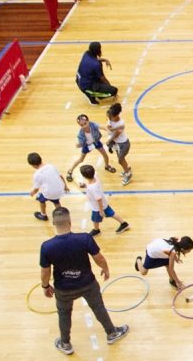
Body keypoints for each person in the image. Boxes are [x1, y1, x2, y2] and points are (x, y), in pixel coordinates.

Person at [39, 207, 130, 355]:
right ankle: (111, 333)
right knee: (98, 307)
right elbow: (98, 257)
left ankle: (65, 343)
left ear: (53, 223)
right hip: (88, 284)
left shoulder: (47, 246)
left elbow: (45, 271)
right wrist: (105, 268)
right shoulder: (84, 238)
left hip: (63, 289)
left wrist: (45, 286)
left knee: (64, 314)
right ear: (69, 221)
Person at [79, 165, 129, 237]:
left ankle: (96, 230)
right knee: (112, 214)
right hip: (104, 203)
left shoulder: (92, 188)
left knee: (95, 219)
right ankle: (124, 224)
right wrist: (85, 185)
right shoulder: (95, 177)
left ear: (84, 176)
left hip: (97, 208)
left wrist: (101, 211)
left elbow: (98, 199)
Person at [66, 114, 116, 183]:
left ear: (88, 121)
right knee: (81, 160)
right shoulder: (80, 134)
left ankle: (107, 166)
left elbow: (101, 126)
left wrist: (107, 130)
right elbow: (80, 143)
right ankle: (70, 171)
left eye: (85, 123)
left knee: (105, 155)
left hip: (96, 142)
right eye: (81, 125)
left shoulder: (93, 124)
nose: (84, 126)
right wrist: (79, 145)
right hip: (86, 146)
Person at [28, 152, 69, 221]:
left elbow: (36, 188)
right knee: (56, 201)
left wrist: (32, 192)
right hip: (59, 190)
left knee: (41, 199)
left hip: (49, 193)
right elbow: (61, 176)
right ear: (41, 159)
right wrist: (65, 186)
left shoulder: (37, 174)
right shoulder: (51, 166)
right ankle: (61, 215)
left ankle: (43, 215)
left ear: (33, 165)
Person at [104, 102, 132, 185]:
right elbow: (108, 127)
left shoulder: (121, 123)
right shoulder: (109, 116)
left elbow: (116, 135)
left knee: (120, 160)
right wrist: (110, 128)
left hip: (123, 144)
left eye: (111, 116)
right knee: (121, 158)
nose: (109, 117)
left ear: (116, 115)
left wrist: (109, 140)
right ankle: (127, 168)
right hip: (116, 143)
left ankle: (128, 174)